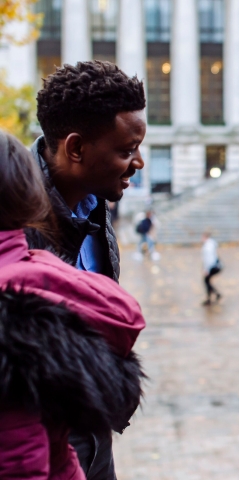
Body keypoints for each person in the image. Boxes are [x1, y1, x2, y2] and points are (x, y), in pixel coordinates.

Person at [0, 131, 145, 479]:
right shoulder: (38, 276)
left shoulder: (12, 308)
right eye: (127, 149)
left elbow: (21, 461)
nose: (137, 162)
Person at [27, 60, 146, 479]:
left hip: (93, 438)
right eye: (126, 150)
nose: (139, 163)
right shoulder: (12, 224)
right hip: (35, 447)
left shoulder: (96, 205)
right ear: (76, 149)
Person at [202, 231, 222, 306]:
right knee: (207, 281)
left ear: (205, 237)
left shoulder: (207, 247)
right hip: (216, 266)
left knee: (206, 281)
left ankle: (212, 297)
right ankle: (213, 296)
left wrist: (207, 270)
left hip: (213, 267)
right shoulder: (211, 243)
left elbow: (209, 259)